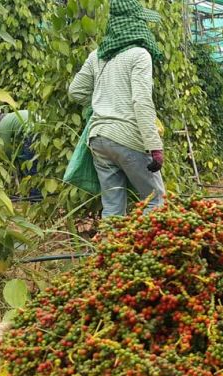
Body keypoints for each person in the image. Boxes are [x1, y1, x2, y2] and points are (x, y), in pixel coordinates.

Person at [68, 0, 165, 217]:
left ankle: (108, 249)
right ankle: (151, 249)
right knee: (155, 200)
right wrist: (154, 146)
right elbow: (141, 101)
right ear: (135, 22)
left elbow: (75, 91)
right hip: (127, 138)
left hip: (99, 139)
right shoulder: (140, 54)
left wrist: (104, 102)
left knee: (112, 206)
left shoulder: (97, 55)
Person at [0, 109, 41, 199]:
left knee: (31, 167)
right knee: (38, 164)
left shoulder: (3, 124)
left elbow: (5, 147)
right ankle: (38, 194)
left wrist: (10, 159)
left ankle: (35, 198)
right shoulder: (13, 117)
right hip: (43, 129)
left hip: (32, 132)